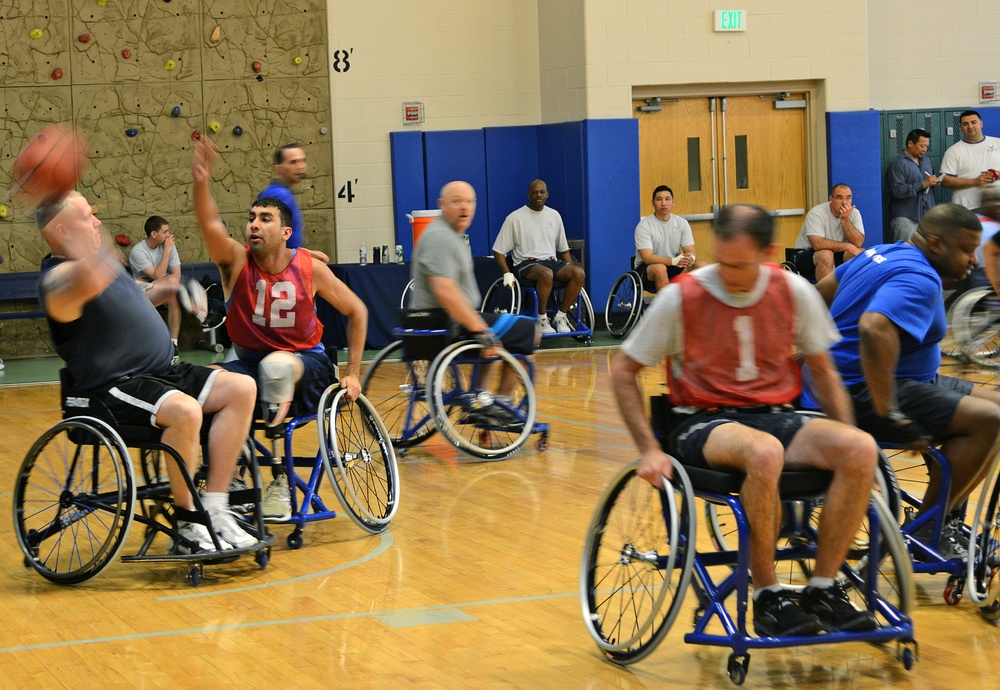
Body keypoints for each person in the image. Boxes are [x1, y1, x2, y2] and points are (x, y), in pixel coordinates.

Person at [611, 203, 879, 637]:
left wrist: (846, 431)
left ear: (769, 252)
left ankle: (824, 587)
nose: (729, 274)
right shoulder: (682, 295)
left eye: (741, 265)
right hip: (701, 422)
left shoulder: (794, 291)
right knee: (763, 451)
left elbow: (826, 375)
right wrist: (647, 448)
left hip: (776, 415)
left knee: (860, 448)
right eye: (723, 261)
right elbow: (623, 373)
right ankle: (767, 595)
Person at [36, 192, 258, 552]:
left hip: (161, 374)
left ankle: (216, 509)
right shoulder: (57, 281)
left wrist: (176, 288)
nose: (97, 223)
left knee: (241, 388)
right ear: (62, 230)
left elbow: (140, 293)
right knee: (185, 411)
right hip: (114, 388)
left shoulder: (102, 267)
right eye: (88, 217)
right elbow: (85, 282)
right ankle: (188, 523)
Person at [193, 138, 368, 522]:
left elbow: (357, 311)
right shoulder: (237, 263)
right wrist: (202, 181)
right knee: (201, 384)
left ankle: (279, 481)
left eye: (265, 219)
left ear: (286, 233)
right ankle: (230, 476)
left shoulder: (309, 267)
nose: (254, 224)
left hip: (309, 368)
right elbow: (209, 224)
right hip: (251, 367)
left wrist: (354, 372)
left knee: (277, 366)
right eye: (251, 218)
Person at [816, 203, 1000, 560]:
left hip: (904, 379)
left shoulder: (883, 252)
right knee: (988, 422)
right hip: (865, 391)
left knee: (994, 405)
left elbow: (820, 290)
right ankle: (932, 529)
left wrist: (810, 349)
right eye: (965, 250)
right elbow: (874, 327)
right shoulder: (920, 277)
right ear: (935, 244)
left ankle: (942, 514)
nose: (973, 261)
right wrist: (889, 411)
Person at [412, 181, 539, 422]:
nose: (465, 207)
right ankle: (500, 404)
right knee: (530, 330)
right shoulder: (441, 237)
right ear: (442, 205)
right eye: (457, 201)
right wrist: (480, 329)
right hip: (447, 325)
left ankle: (479, 398)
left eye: (470, 202)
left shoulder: (449, 235)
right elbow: (445, 290)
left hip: (443, 322)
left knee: (498, 329)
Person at [492, 179, 585, 333]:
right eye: (535, 192)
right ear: (529, 195)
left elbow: (563, 249)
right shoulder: (514, 218)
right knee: (546, 274)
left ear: (547, 194)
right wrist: (507, 273)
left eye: (542, 192)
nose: (538, 195)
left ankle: (560, 316)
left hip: (550, 261)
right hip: (525, 263)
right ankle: (542, 319)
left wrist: (570, 269)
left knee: (578, 272)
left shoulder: (554, 215)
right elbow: (498, 250)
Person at [258, 143, 330, 263]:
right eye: (293, 162)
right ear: (279, 169)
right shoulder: (280, 196)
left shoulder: (282, 193)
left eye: (302, 161)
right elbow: (272, 243)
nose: (300, 166)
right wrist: (306, 255)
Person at [130, 215, 182, 359]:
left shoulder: (169, 246)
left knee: (173, 294)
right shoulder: (138, 252)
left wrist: (162, 281)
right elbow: (158, 276)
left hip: (155, 285)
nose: (169, 235)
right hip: (143, 293)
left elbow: (176, 276)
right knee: (171, 287)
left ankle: (173, 343)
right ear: (154, 234)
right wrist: (167, 251)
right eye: (165, 232)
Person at [633, 184, 700, 291]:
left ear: (673, 202)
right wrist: (673, 261)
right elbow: (648, 258)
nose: (663, 203)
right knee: (660, 268)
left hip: (674, 265)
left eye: (667, 199)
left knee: (701, 266)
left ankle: (698, 305)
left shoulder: (682, 223)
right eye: (659, 199)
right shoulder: (644, 226)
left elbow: (691, 251)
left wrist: (690, 258)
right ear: (653, 203)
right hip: (648, 268)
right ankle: (666, 307)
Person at [793, 183, 865, 281]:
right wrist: (847, 246)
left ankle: (853, 292)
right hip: (807, 254)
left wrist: (845, 220)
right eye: (840, 198)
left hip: (836, 252)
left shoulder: (855, 213)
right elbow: (817, 244)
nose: (844, 202)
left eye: (848, 198)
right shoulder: (816, 213)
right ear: (831, 199)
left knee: (859, 253)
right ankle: (827, 295)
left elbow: (858, 242)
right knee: (826, 255)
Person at [940, 109, 1000, 210]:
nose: (970, 126)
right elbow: (945, 181)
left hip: (995, 205)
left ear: (981, 124)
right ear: (960, 128)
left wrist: (998, 174)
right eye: (965, 124)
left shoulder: (997, 143)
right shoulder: (953, 151)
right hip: (967, 208)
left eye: (973, 122)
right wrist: (975, 181)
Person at [885, 129, 938, 242]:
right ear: (910, 143)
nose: (924, 150)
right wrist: (923, 184)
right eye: (921, 146)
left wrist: (933, 183)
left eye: (926, 146)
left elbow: (929, 183)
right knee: (906, 252)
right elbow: (897, 190)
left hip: (926, 216)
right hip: (906, 217)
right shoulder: (898, 163)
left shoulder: (926, 161)